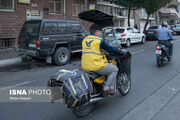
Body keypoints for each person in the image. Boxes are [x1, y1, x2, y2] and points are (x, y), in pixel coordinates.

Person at [81, 24, 122, 96]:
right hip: (96, 66)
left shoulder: (85, 40)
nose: (100, 33)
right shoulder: (99, 40)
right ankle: (106, 89)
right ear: (96, 32)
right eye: (100, 32)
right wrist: (119, 51)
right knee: (114, 69)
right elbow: (110, 48)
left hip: (85, 65)